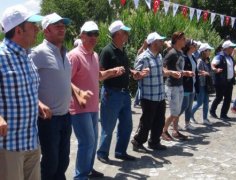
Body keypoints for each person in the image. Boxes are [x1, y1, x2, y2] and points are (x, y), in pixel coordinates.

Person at [68, 21, 123, 179]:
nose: (93, 37)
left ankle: (88, 170)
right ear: (82, 35)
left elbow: (97, 76)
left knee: (92, 142)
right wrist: (78, 94)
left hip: (93, 106)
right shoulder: (74, 55)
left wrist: (112, 72)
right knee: (87, 142)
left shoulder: (95, 55)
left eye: (96, 34)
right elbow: (65, 79)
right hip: (79, 107)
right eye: (89, 34)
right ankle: (80, 176)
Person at [0, 5, 43, 180]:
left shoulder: (27, 56)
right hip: (9, 147)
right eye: (33, 26)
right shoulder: (1, 56)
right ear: (18, 30)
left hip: (31, 141)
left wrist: (39, 103)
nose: (37, 30)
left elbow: (25, 89)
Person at [97, 20, 148, 164]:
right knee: (108, 126)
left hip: (124, 94)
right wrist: (113, 72)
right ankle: (102, 153)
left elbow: (126, 68)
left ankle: (120, 152)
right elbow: (100, 74)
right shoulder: (107, 51)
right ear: (118, 34)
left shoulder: (122, 50)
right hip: (111, 93)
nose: (127, 34)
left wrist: (134, 73)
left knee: (127, 125)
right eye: (125, 32)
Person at [31, 13, 73, 180]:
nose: (62, 28)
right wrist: (38, 103)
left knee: (63, 161)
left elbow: (64, 81)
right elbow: (27, 82)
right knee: (51, 163)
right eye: (57, 25)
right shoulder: (38, 53)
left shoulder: (65, 52)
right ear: (46, 30)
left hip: (65, 115)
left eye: (63, 25)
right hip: (48, 120)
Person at [131, 32, 181, 152]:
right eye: (160, 41)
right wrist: (139, 75)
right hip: (148, 96)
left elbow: (161, 71)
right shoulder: (143, 57)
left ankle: (154, 142)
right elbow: (135, 74)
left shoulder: (158, 56)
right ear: (153, 43)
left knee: (159, 121)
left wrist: (170, 72)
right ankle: (138, 141)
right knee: (147, 122)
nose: (162, 43)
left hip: (159, 95)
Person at [161, 31, 191, 141]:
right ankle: (163, 131)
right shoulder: (172, 53)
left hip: (179, 84)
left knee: (177, 112)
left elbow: (178, 69)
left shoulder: (180, 52)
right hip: (172, 86)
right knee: (174, 112)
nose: (185, 40)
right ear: (177, 40)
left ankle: (175, 131)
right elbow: (163, 68)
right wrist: (171, 73)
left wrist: (186, 73)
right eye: (183, 38)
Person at [210, 40, 236, 120]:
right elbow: (213, 64)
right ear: (227, 48)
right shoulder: (219, 56)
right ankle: (212, 111)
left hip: (229, 81)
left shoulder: (230, 57)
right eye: (231, 47)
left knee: (228, 99)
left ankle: (223, 114)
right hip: (221, 81)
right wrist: (215, 69)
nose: (233, 49)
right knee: (219, 97)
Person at [191, 43, 214, 125]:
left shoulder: (207, 60)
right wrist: (205, 73)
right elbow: (196, 72)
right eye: (209, 50)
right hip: (201, 84)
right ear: (204, 51)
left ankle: (205, 118)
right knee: (200, 102)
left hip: (206, 84)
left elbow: (209, 72)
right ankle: (190, 115)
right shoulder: (200, 61)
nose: (210, 52)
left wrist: (208, 73)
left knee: (206, 102)